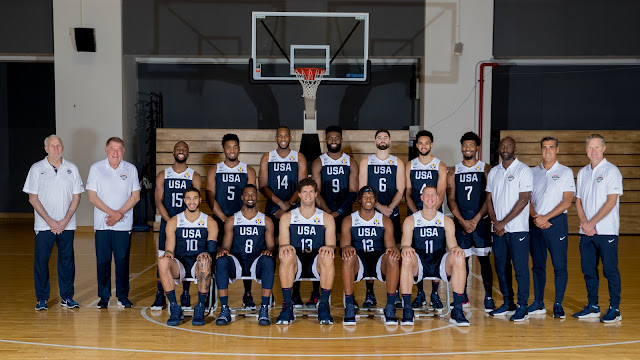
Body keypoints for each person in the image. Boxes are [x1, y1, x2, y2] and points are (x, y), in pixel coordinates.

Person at [24, 135, 84, 310]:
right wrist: (50, 221)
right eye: (52, 146)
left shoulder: (71, 168)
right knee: (41, 262)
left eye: (58, 146)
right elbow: (33, 198)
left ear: (62, 148)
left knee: (67, 262)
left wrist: (64, 220)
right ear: (46, 149)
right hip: (44, 226)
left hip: (67, 225)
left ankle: (67, 297)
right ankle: (42, 299)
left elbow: (76, 197)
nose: (56, 149)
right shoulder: (36, 168)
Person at [398, 185, 469, 326]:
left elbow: (452, 245)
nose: (430, 198)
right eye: (427, 195)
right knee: (406, 256)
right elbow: (405, 244)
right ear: (422, 198)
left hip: (439, 263)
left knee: (459, 256)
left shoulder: (446, 221)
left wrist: (457, 249)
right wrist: (406, 248)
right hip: (419, 264)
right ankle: (407, 309)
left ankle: (458, 310)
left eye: (433, 195)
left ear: (438, 199)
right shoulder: (411, 220)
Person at [574, 134, 623, 323]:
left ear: (604, 148)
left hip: (606, 231)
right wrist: (586, 224)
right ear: (586, 150)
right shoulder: (583, 172)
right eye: (590, 148)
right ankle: (593, 306)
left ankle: (615, 309)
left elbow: (611, 202)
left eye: (596, 147)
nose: (593, 151)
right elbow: (578, 201)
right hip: (586, 232)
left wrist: (591, 223)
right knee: (588, 271)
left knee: (610, 270)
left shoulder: (612, 171)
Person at [86, 137, 140, 309]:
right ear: (106, 150)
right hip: (102, 224)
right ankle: (103, 297)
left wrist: (120, 214)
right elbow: (92, 197)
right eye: (112, 149)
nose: (115, 153)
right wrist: (113, 214)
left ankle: (123, 296)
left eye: (119, 149)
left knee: (122, 261)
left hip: (123, 225)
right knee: (102, 261)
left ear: (123, 151)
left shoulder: (130, 169)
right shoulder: (96, 168)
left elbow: (135, 196)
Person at [275, 178, 336, 325]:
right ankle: (287, 305)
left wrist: (329, 248)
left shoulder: (326, 218)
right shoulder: (287, 217)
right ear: (299, 195)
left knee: (328, 256)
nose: (308, 195)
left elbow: (332, 245)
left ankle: (324, 305)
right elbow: (283, 244)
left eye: (311, 192)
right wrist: (284, 247)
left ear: (316, 194)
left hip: (317, 263)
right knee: (286, 253)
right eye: (304, 192)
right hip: (296, 264)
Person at [206, 133, 257, 309]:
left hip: (242, 220)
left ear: (239, 148)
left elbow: (251, 196)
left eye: (235, 147)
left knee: (245, 254)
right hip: (220, 218)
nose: (232, 150)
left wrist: (241, 218)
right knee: (216, 256)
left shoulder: (248, 170)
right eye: (228, 147)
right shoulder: (215, 169)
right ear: (223, 149)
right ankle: (210, 292)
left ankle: (248, 293)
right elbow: (210, 195)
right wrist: (221, 216)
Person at [446, 132, 495, 312]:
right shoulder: (453, 170)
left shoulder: (486, 169)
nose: (468, 148)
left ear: (477, 148)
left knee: (484, 261)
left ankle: (488, 296)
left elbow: (489, 197)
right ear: (461, 147)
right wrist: (461, 220)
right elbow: (450, 198)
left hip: (480, 221)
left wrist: (475, 219)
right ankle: (462, 295)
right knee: (462, 261)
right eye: (465, 145)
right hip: (461, 223)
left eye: (471, 145)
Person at [485, 137, 533, 321]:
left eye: (509, 146)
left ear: (515, 148)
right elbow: (489, 199)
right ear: (499, 148)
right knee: (501, 268)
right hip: (498, 230)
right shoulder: (494, 171)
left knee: (520, 269)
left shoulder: (523, 170)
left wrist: (502, 223)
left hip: (517, 230)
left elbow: (524, 199)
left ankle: (522, 306)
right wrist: (496, 222)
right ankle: (507, 303)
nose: (505, 149)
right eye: (502, 146)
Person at [259, 126, 307, 306]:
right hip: (272, 209)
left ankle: (296, 292)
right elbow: (263, 185)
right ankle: (268, 293)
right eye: (280, 135)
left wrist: (288, 205)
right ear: (276, 137)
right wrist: (280, 203)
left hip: (294, 208)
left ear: (291, 137)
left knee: (294, 249)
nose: (283, 138)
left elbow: (302, 184)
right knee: (270, 250)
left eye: (286, 135)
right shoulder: (267, 157)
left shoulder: (299, 157)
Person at [215, 185, 276, 326]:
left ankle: (264, 309)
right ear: (242, 197)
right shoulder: (232, 220)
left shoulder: (265, 220)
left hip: (257, 262)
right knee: (221, 261)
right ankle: (224, 309)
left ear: (257, 197)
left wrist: (270, 251)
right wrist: (222, 251)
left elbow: (271, 246)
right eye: (247, 195)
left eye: (253, 194)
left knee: (268, 260)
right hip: (238, 262)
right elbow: (225, 246)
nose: (250, 197)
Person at [311, 125, 358, 307]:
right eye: (329, 138)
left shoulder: (350, 162)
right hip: (324, 214)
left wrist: (339, 212)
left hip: (344, 213)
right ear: (325, 140)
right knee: (321, 251)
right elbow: (315, 192)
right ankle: (317, 293)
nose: (333, 141)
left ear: (341, 139)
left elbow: (354, 191)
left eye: (336, 138)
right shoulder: (319, 162)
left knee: (347, 253)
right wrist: (328, 213)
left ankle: (350, 296)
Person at [151, 141, 202, 310]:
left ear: (188, 153)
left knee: (186, 255)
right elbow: (158, 200)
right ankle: (160, 295)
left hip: (188, 224)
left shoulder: (193, 176)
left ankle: (185, 293)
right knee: (163, 259)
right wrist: (169, 221)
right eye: (178, 149)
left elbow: (196, 202)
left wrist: (183, 222)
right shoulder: (162, 175)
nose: (181, 151)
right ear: (173, 152)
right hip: (168, 223)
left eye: (184, 149)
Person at [340, 186, 400, 325]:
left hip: (379, 262)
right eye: (365, 196)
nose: (368, 199)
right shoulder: (349, 220)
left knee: (393, 257)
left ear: (375, 200)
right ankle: (349, 306)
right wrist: (347, 248)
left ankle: (390, 306)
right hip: (358, 263)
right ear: (360, 199)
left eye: (371, 196)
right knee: (347, 257)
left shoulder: (384, 220)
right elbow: (344, 247)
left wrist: (394, 250)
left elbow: (390, 247)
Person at [529, 136, 575, 319]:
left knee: (559, 266)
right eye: (544, 147)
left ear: (557, 149)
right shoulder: (532, 172)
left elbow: (567, 202)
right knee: (538, 266)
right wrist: (536, 217)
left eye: (551, 147)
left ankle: (558, 304)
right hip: (535, 223)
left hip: (556, 224)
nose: (547, 150)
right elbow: (527, 200)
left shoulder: (565, 172)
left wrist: (545, 218)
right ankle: (538, 303)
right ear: (540, 150)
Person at [158, 187, 217, 326]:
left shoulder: (209, 221)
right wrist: (167, 254)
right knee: (162, 262)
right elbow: (169, 249)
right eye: (189, 198)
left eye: (195, 198)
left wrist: (207, 253)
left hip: (198, 265)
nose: (192, 201)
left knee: (205, 261)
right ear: (184, 200)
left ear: (200, 200)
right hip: (180, 264)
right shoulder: (174, 221)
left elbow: (212, 250)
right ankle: (174, 307)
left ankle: (200, 307)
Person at [359, 129, 405, 307]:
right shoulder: (366, 161)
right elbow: (363, 189)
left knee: (395, 252)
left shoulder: (397, 162)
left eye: (385, 137)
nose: (382, 140)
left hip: (391, 214)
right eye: (379, 137)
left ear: (390, 141)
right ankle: (370, 294)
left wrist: (390, 208)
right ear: (375, 141)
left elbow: (401, 190)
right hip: (372, 213)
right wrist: (378, 207)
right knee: (370, 250)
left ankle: (396, 294)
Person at [405, 130, 447, 310]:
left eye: (426, 143)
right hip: (415, 213)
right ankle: (420, 292)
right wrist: (417, 214)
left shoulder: (440, 165)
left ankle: (435, 293)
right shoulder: (410, 165)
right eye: (420, 143)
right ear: (416, 145)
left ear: (431, 144)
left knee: (437, 250)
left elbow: (441, 192)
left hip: (435, 213)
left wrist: (431, 212)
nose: (423, 146)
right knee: (416, 251)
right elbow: (407, 193)